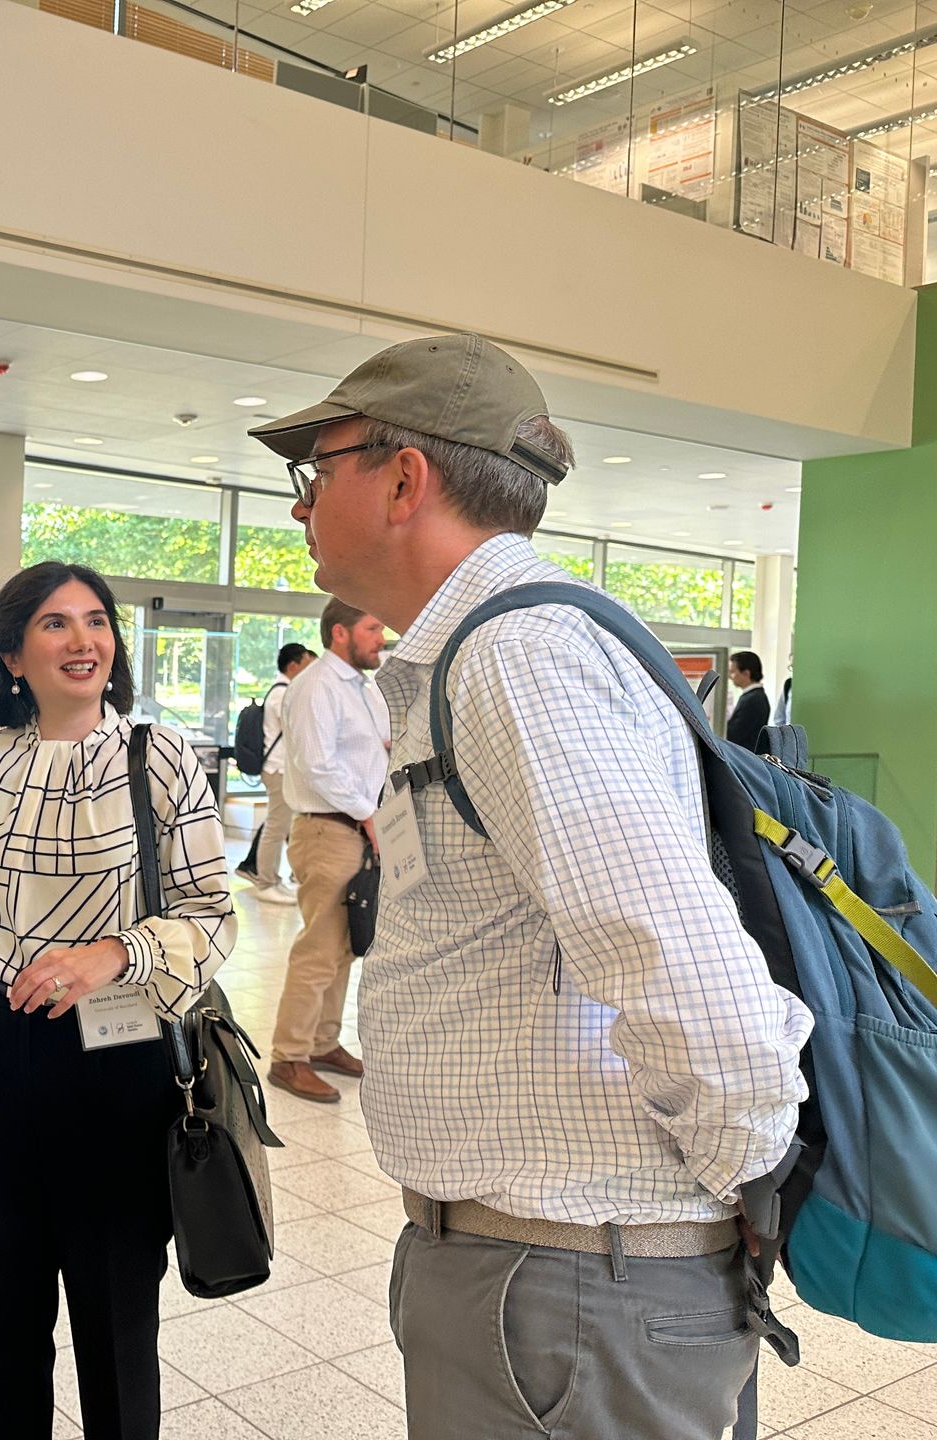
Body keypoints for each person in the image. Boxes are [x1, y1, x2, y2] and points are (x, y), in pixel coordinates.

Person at [249, 333, 812, 1440]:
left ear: (405, 478)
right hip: (546, 1278)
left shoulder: (520, 656)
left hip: (569, 1292)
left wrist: (742, 1180)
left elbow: (687, 973)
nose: (302, 507)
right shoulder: (492, 649)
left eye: (317, 476)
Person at [0, 560, 236, 1440]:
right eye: (56, 624)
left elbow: (214, 916)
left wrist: (115, 953)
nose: (83, 639)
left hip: (115, 1055)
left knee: (115, 1318)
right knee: (5, 1312)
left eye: (97, 621)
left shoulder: (156, 756)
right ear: (12, 654)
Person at [265, 598, 388, 1104]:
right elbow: (318, 766)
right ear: (341, 633)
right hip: (327, 829)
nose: (382, 636)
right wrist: (368, 813)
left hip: (355, 829)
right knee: (319, 949)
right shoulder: (316, 686)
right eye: (373, 626)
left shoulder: (360, 686)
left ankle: (322, 1042)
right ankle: (288, 1056)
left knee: (342, 947)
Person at [234, 641, 315, 904]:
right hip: (278, 769)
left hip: (283, 769)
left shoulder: (284, 690)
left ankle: (275, 879)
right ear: (293, 666)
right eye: (307, 665)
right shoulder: (283, 693)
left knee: (282, 825)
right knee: (276, 827)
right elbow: (299, 728)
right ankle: (266, 881)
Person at [726, 649, 771, 750]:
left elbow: (734, 734)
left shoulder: (753, 700)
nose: (730, 676)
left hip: (746, 755)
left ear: (746, 673)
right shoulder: (753, 696)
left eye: (733, 672)